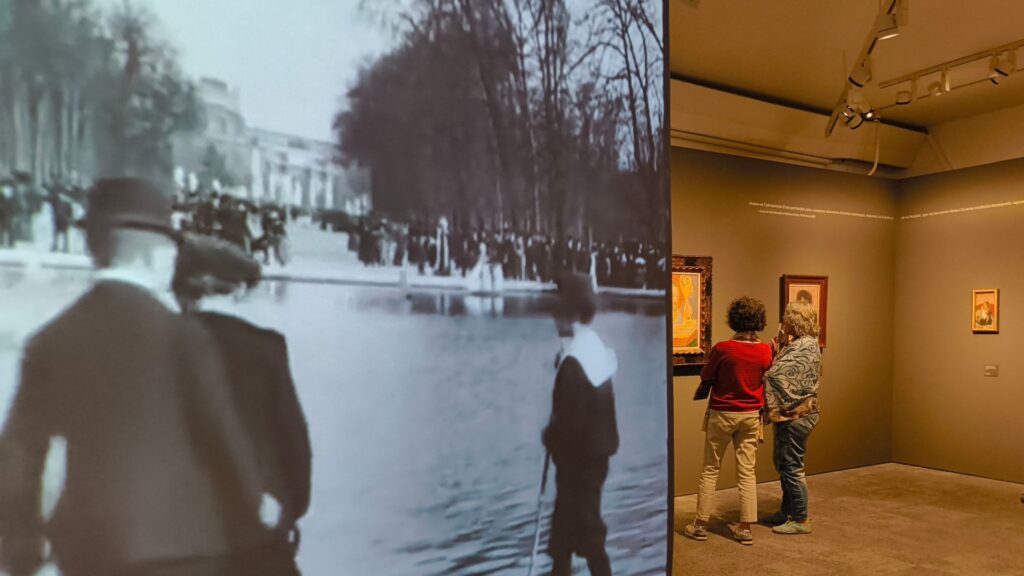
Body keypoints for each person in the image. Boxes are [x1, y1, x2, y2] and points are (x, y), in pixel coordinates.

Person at [0, 178, 264, 576]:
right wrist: (250, 526)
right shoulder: (184, 336)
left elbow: (18, 456)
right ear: (156, 256)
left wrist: (23, 546)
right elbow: (225, 443)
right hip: (187, 548)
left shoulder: (51, 340)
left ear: (94, 248)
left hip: (91, 550)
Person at [173, 234, 312, 575]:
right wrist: (290, 511)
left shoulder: (159, 344)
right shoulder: (264, 349)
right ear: (237, 291)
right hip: (257, 530)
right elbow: (295, 448)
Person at [542, 272, 618, 576]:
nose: (553, 315)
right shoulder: (591, 346)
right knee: (564, 536)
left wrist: (549, 436)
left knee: (587, 534)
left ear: (570, 312)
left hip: (579, 464)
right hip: (594, 458)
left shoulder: (573, 361)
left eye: (558, 309)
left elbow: (570, 425)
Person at [683, 297, 771, 546]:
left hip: (722, 413)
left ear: (734, 319)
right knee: (747, 472)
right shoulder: (766, 350)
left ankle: (700, 524)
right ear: (759, 321)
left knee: (710, 469)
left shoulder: (723, 349)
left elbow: (706, 375)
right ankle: (745, 528)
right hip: (751, 415)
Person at [762, 301, 822, 535]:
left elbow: (774, 375)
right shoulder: (807, 343)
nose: (783, 321)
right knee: (784, 463)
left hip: (795, 415)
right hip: (799, 413)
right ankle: (787, 511)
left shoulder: (802, 347)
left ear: (795, 320)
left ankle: (800, 519)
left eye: (786, 317)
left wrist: (772, 357)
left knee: (792, 467)